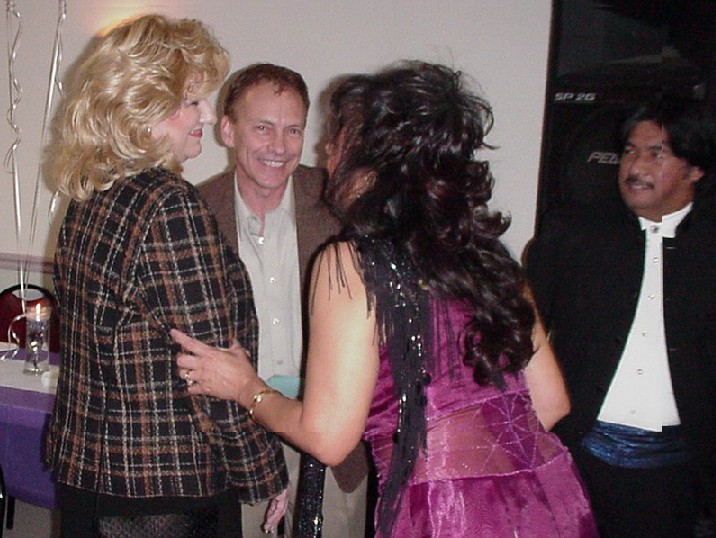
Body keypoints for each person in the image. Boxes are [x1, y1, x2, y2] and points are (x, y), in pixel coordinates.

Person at [172, 61, 598, 537]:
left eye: (336, 140)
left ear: (370, 157)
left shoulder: (352, 262)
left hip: (443, 514)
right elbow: (550, 403)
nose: (325, 152)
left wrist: (245, 387)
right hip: (542, 502)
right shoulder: (487, 254)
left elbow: (328, 439)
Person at [46, 15, 287, 537]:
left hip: (90, 475)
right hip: (164, 489)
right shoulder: (168, 204)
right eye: (191, 101)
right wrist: (266, 472)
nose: (207, 114)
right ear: (143, 107)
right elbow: (212, 367)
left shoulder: (90, 195)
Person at [526, 96, 716, 537]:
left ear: (695, 169)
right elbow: (518, 333)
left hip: (677, 467)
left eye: (656, 154)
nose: (635, 166)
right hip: (577, 450)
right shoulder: (575, 230)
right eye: (630, 151)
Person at [198, 63, 368, 538]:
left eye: (293, 130)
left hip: (325, 434)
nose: (279, 146)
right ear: (228, 131)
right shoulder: (195, 211)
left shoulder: (340, 203)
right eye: (263, 128)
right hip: (234, 444)